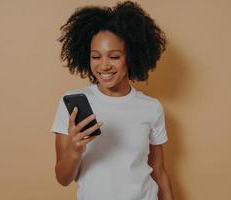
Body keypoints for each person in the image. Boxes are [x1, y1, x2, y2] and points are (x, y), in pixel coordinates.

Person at [51, 1, 174, 200]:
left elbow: (159, 171)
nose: (104, 65)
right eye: (96, 56)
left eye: (114, 56)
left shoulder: (151, 108)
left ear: (131, 57)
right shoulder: (72, 104)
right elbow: (62, 179)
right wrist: (75, 150)